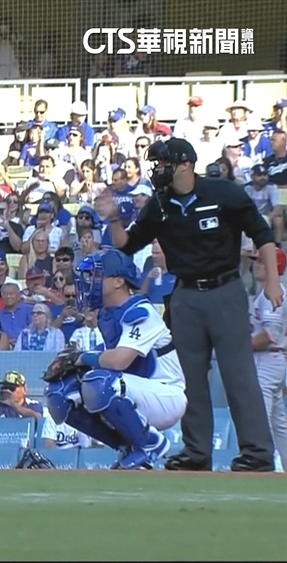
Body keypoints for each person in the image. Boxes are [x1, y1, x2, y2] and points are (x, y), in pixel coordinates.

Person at [95, 137, 278, 472]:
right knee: (190, 377)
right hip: (185, 295)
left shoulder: (224, 194)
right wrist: (111, 219)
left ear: (185, 165)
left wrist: (272, 283)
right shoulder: (159, 204)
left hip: (225, 289)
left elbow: (262, 234)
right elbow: (128, 244)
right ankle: (196, 451)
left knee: (239, 374)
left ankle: (257, 452)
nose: (158, 170)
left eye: (163, 164)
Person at [44, 249, 187, 469]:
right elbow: (111, 353)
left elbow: (119, 360)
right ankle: (128, 446)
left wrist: (81, 358)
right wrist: (74, 363)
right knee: (60, 394)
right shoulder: (107, 313)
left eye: (97, 275)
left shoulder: (140, 310)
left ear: (119, 281)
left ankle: (149, 444)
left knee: (99, 382)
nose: (90, 282)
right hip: (137, 391)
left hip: (166, 394)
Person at [248, 247, 287, 470]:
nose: (257, 264)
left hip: (268, 358)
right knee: (277, 419)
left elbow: (270, 334)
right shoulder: (270, 292)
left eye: (262, 262)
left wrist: (241, 346)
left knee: (263, 414)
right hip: (272, 358)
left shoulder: (272, 294)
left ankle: (267, 463)